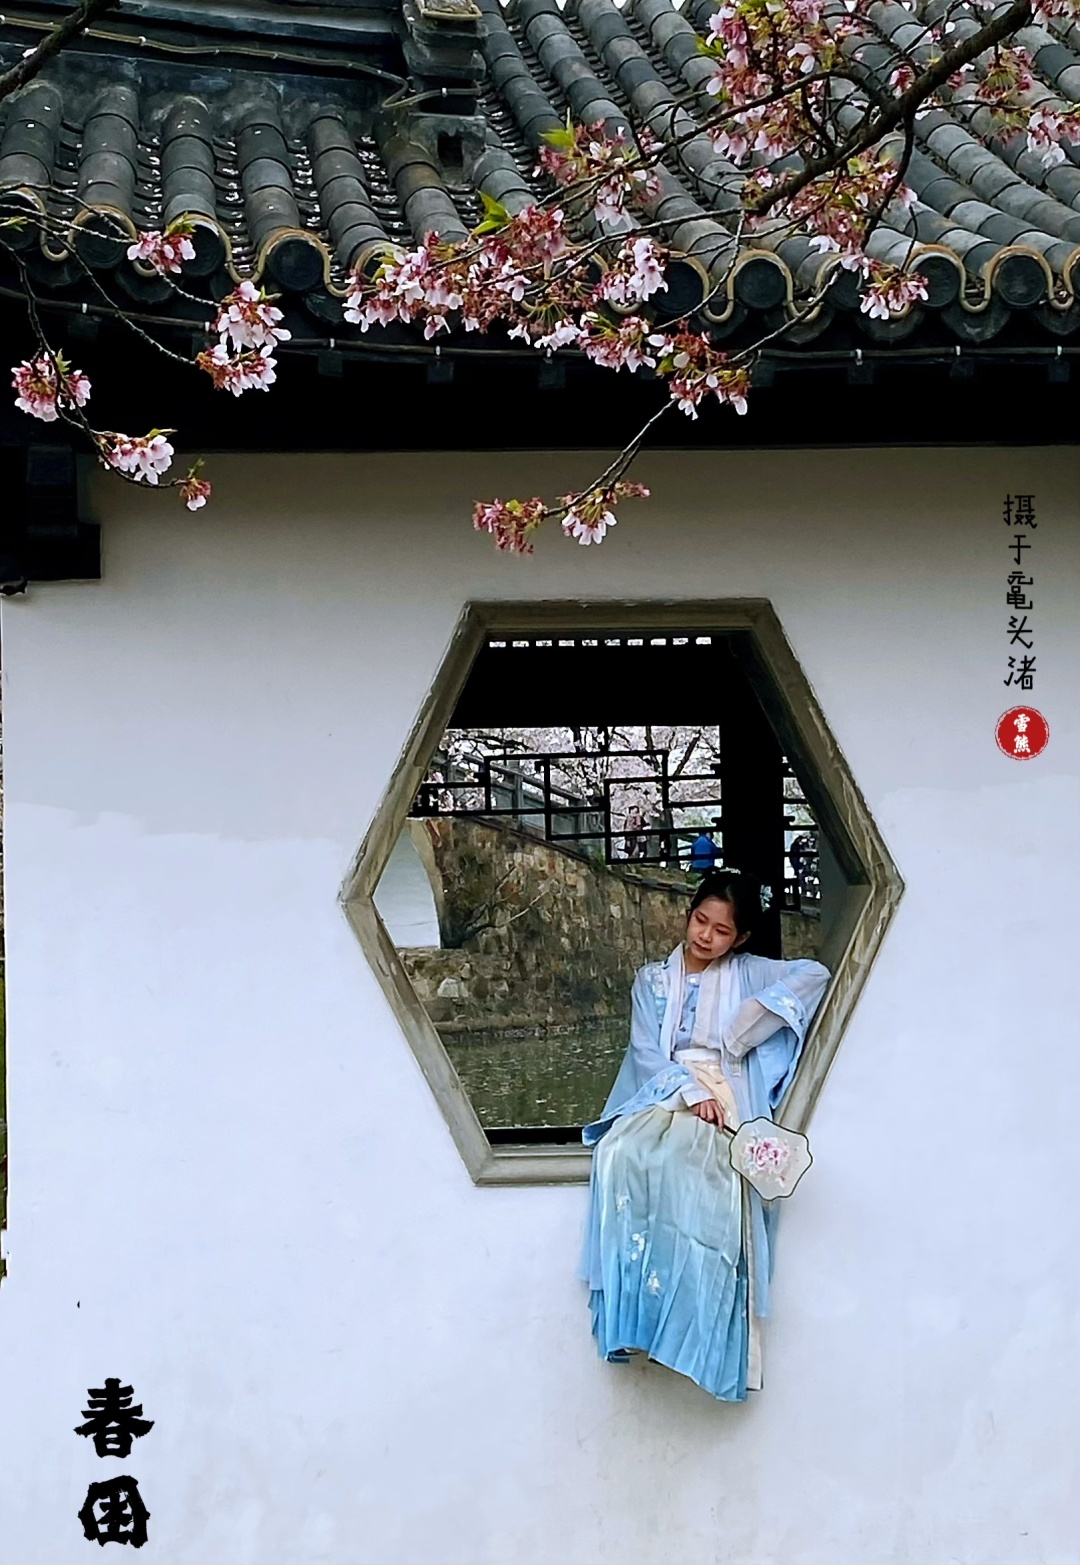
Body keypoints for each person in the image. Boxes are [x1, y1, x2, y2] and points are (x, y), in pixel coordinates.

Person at [579, 870, 830, 1402]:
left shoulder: (749, 971)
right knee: (622, 1154)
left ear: (740, 938)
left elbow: (815, 974)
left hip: (728, 1089)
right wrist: (689, 1092)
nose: (706, 936)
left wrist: (746, 1025)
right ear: (688, 913)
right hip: (669, 1087)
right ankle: (640, 1319)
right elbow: (647, 1052)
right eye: (700, 921)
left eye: (722, 931)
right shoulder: (651, 980)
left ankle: (696, 1332)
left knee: (708, 1170)